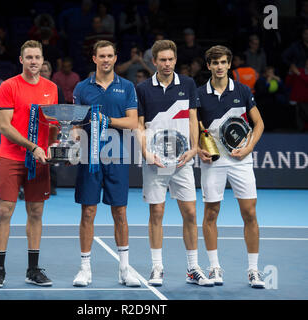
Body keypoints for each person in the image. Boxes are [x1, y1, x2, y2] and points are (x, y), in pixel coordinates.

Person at [136, 39, 212, 287]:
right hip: (155, 161)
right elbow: (139, 124)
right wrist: (146, 152)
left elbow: (192, 118)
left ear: (175, 60)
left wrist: (194, 148)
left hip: (182, 161)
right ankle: (157, 267)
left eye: (171, 60)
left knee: (190, 213)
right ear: (154, 61)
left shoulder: (188, 84)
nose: (167, 64)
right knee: (156, 213)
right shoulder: (143, 88)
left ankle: (193, 268)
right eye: (162, 60)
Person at [0, 40, 58, 288]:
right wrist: (32, 146)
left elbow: (51, 124)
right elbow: (5, 127)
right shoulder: (8, 86)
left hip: (39, 159)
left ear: (42, 60)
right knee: (5, 212)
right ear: (21, 60)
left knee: (36, 213)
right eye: (29, 57)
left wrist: (56, 147)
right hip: (11, 157)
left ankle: (33, 269)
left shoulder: (51, 87)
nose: (33, 61)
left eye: (37, 57)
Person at [72, 40, 141, 287]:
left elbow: (133, 123)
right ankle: (84, 269)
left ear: (115, 58)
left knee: (120, 212)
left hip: (118, 156)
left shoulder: (127, 86)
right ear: (94, 59)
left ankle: (124, 271)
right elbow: (76, 125)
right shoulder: (81, 88)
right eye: (101, 56)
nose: (106, 60)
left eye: (110, 55)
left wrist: (106, 120)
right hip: (89, 158)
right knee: (88, 212)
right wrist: (73, 140)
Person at [197, 45, 265, 288]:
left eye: (223, 62)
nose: (219, 66)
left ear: (229, 64)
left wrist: (248, 149)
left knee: (249, 213)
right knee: (211, 213)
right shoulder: (199, 94)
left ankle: (254, 270)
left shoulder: (243, 91)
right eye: (214, 63)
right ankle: (214, 267)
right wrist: (199, 148)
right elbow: (194, 127)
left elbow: (259, 124)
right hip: (214, 161)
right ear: (208, 66)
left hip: (241, 160)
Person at [40, 60, 66, 195]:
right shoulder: (33, 88)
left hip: (52, 127)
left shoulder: (56, 89)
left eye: (45, 70)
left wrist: (59, 125)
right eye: (41, 70)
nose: (43, 73)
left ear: (50, 73)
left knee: (51, 156)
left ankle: (51, 185)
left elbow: (62, 108)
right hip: (36, 128)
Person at [285, 57, 308, 132]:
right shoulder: (299, 71)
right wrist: (290, 72)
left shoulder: (299, 72)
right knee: (298, 120)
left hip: (306, 100)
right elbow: (288, 83)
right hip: (296, 99)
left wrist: (298, 73)